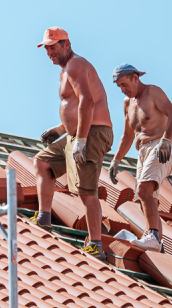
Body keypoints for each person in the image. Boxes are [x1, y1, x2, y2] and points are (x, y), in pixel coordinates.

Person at [32, 27, 114, 260]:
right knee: (42, 163)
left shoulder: (76, 64)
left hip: (92, 133)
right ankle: (44, 219)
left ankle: (96, 246)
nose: (49, 52)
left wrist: (81, 140)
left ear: (66, 44)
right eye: (46, 48)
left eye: (53, 47)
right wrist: (60, 129)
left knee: (86, 190)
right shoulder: (65, 69)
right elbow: (75, 106)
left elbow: (87, 101)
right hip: (76, 134)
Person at [105, 64, 172, 251]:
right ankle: (157, 245)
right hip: (143, 152)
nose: (123, 90)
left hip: (160, 147)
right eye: (119, 87)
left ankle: (152, 236)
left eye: (124, 84)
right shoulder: (127, 103)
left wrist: (166, 140)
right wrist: (116, 160)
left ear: (135, 78)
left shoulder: (153, 92)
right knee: (146, 200)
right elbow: (127, 136)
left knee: (144, 189)